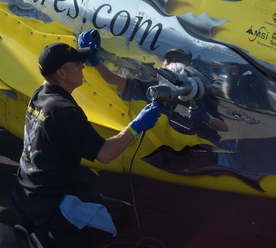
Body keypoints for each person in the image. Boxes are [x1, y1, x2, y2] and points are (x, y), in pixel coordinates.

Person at [12, 41, 163, 247]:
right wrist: (136, 126)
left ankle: (29, 224)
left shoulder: (41, 94)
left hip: (26, 192)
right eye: (77, 63)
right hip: (51, 201)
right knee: (124, 217)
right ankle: (51, 237)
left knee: (81, 188)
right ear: (61, 73)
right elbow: (104, 154)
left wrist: (96, 59)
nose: (82, 67)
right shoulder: (65, 110)